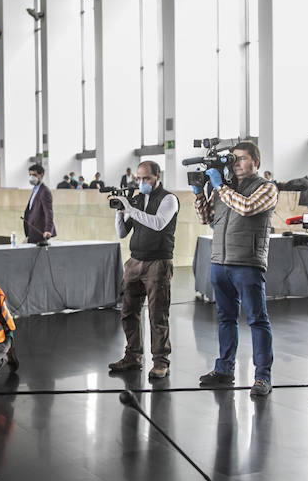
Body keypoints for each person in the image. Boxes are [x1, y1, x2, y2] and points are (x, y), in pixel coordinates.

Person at [194, 142, 276, 396]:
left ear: (256, 162)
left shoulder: (267, 188)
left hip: (247, 263)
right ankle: (224, 369)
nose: (236, 163)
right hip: (220, 261)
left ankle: (262, 376)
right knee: (225, 318)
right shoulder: (224, 189)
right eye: (234, 159)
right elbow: (206, 219)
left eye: (242, 159)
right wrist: (199, 193)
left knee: (257, 319)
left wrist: (219, 185)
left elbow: (246, 207)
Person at [109, 160, 179, 381]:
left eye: (146, 178)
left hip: (158, 263)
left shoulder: (168, 199)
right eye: (138, 179)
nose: (141, 182)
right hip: (134, 262)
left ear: (157, 177)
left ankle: (160, 362)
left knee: (158, 314)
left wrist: (130, 208)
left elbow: (158, 223)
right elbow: (122, 233)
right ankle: (132, 356)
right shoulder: (138, 199)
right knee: (128, 312)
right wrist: (120, 212)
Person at [21, 163, 54, 244]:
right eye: (30, 175)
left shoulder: (44, 191)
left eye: (34, 175)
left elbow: (48, 212)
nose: (32, 177)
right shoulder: (35, 190)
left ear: (41, 175)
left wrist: (48, 230)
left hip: (40, 233)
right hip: (32, 231)